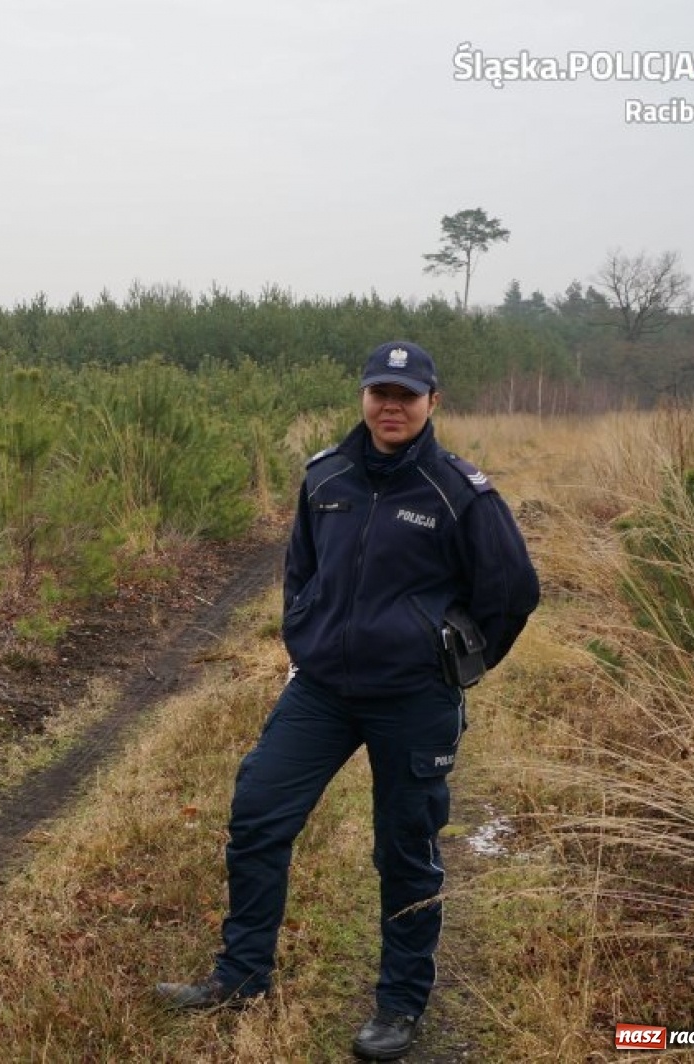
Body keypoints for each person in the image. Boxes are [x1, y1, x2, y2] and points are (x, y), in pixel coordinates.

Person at [156, 340, 539, 1061]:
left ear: (433, 402)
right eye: (380, 393)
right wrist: (305, 633)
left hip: (414, 699)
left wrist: (455, 660)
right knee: (258, 813)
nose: (392, 407)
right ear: (363, 396)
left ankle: (399, 1003)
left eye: (407, 395)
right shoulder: (325, 476)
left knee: (406, 850)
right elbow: (300, 569)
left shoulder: (460, 492)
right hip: (323, 691)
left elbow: (513, 592)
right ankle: (241, 978)